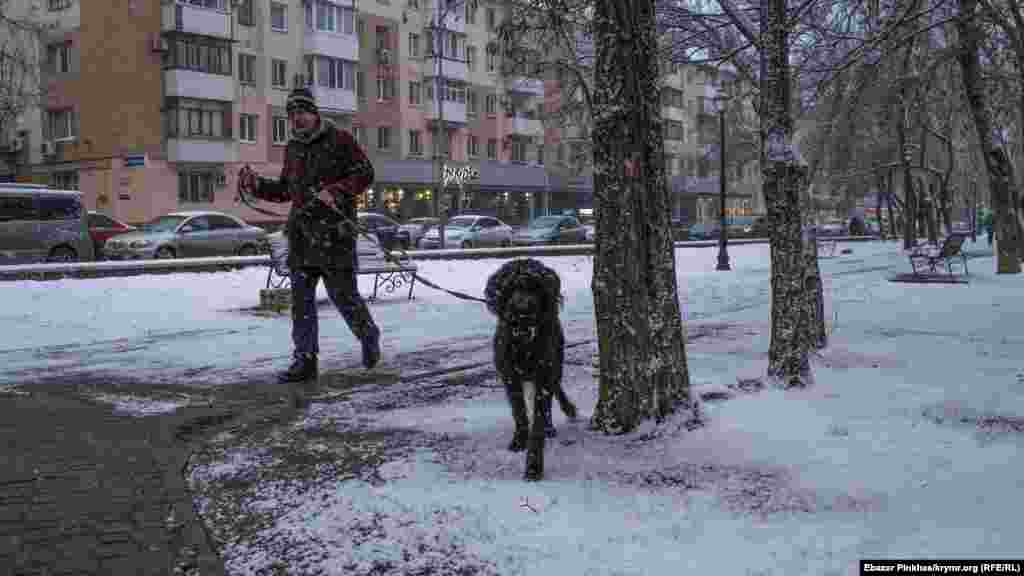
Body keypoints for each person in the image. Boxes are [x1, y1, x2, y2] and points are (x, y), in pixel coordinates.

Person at [238, 86, 380, 383]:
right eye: (291, 115)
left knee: (343, 297)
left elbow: (365, 173)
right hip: (302, 236)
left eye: (301, 112)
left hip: (334, 235)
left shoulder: (339, 139)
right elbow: (285, 190)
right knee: (301, 302)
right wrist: (256, 185)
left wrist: (338, 191)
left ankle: (368, 334)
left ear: (315, 113)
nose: (296, 119)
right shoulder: (293, 148)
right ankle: (305, 360)